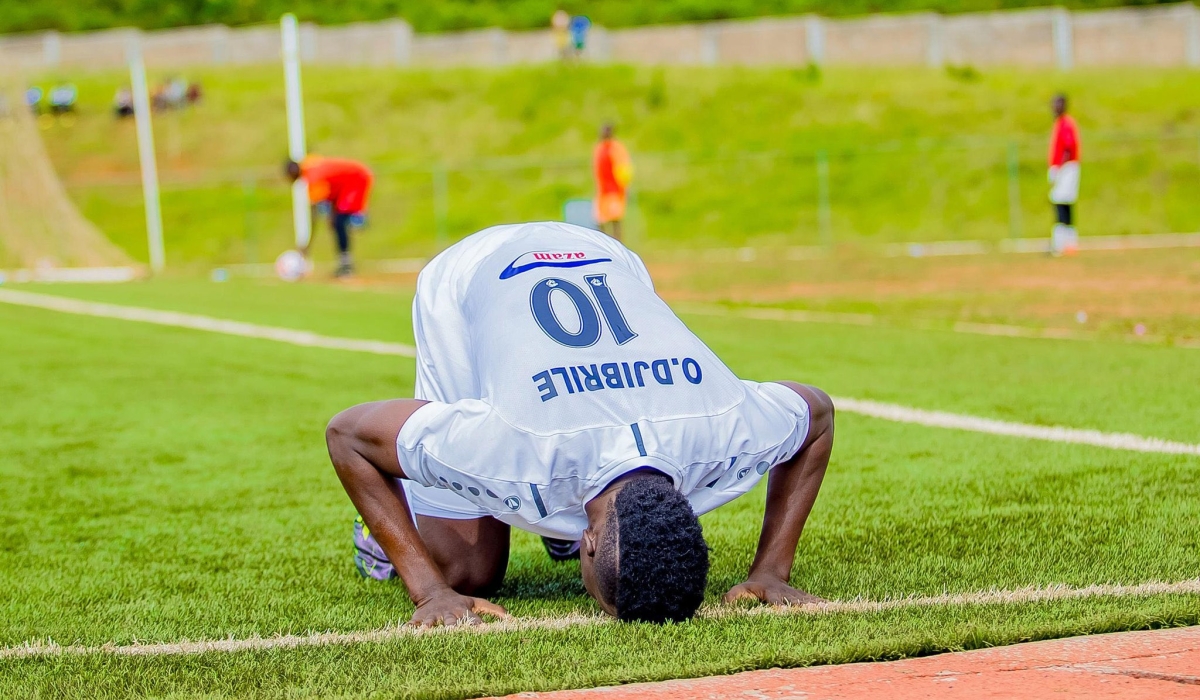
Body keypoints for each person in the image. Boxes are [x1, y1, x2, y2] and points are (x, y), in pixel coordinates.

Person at [325, 222, 835, 626]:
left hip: (603, 255)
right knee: (466, 573)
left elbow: (816, 414)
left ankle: (556, 522)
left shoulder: (725, 427)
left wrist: (771, 570)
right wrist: (430, 590)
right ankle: (388, 531)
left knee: (486, 550)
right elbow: (348, 435)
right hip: (475, 272)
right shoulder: (513, 445)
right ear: (590, 543)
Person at [285, 155, 373, 277]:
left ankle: (346, 263)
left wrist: (307, 245)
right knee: (336, 222)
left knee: (339, 222)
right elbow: (331, 188)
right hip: (344, 185)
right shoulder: (309, 164)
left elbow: (314, 217)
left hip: (357, 179)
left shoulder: (312, 178)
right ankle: (345, 261)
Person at [1048, 93, 1081, 256]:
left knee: (1060, 203)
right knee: (1063, 203)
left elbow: (1068, 148)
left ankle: (1061, 244)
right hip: (1065, 168)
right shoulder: (1060, 123)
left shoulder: (1066, 124)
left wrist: (1058, 168)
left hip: (1067, 168)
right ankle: (1068, 243)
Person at [592, 123, 633, 241]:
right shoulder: (599, 148)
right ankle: (604, 244)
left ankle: (617, 245)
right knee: (600, 220)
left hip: (614, 190)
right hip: (602, 191)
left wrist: (626, 186)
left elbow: (624, 168)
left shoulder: (616, 148)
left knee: (615, 219)